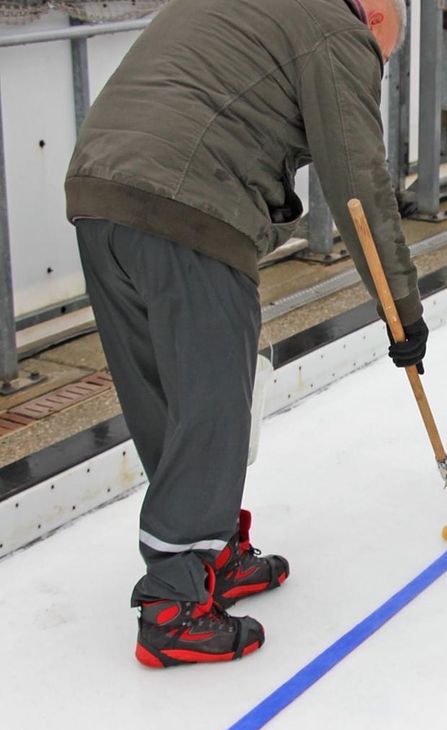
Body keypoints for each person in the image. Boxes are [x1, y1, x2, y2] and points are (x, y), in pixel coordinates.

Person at [64, 0, 426, 667]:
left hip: (98, 194)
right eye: (383, 56)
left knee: (167, 399)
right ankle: (172, 604)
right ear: (376, 17)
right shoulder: (338, 31)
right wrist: (402, 309)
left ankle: (212, 551)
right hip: (191, 203)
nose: (374, 66)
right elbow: (358, 184)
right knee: (213, 400)